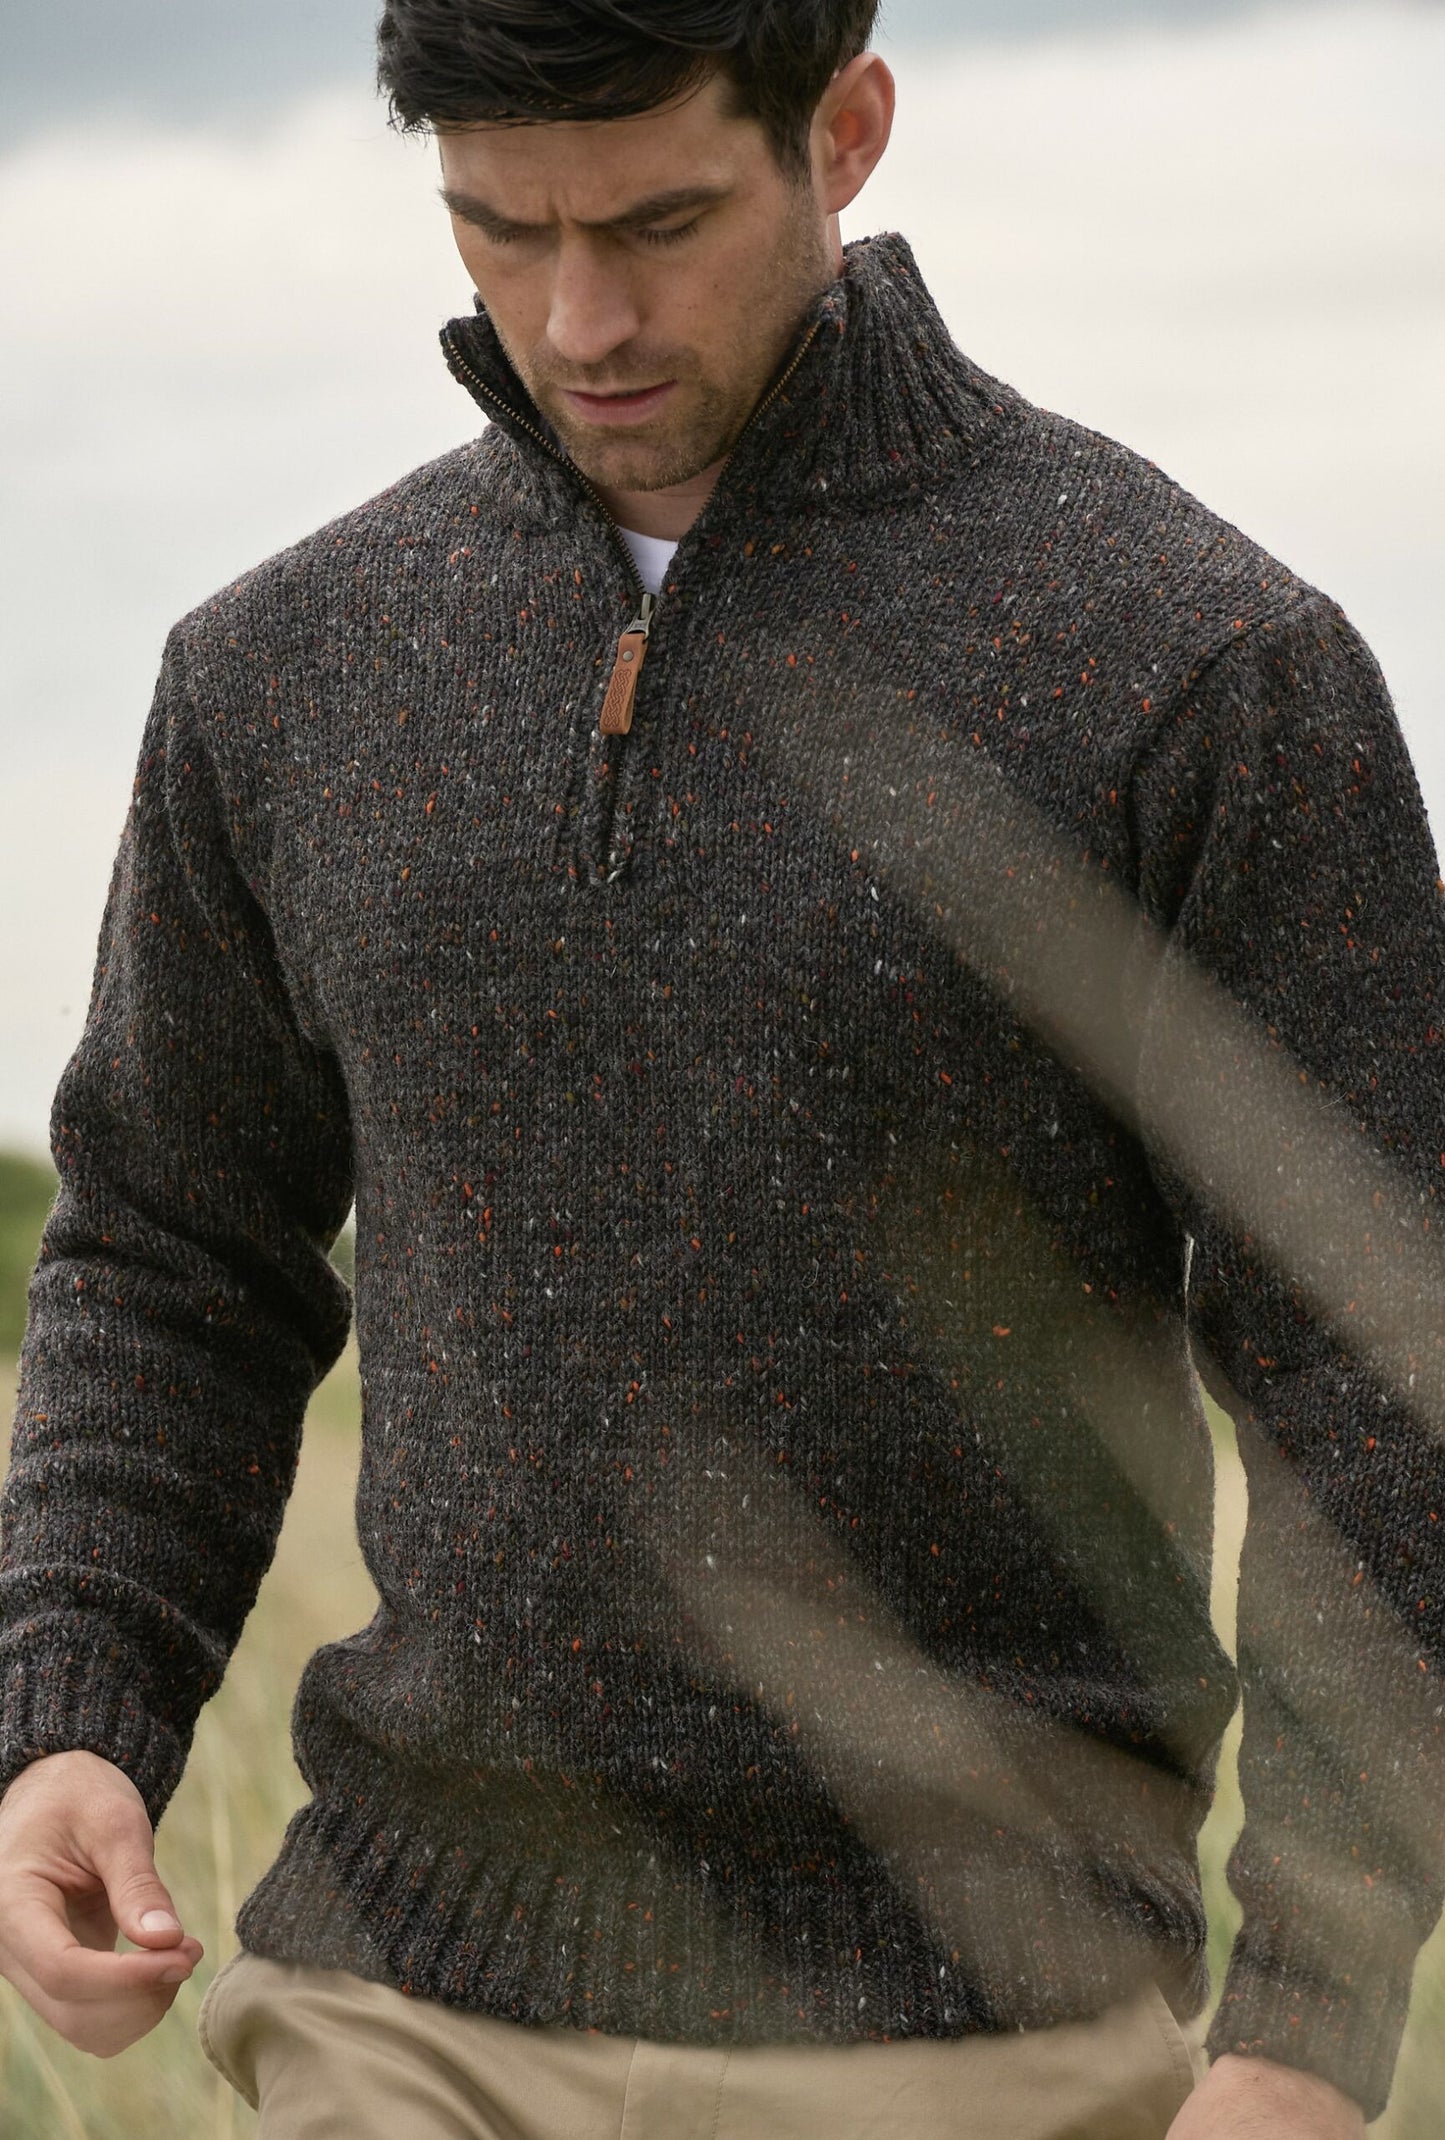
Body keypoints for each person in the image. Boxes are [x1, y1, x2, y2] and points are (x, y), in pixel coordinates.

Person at [0, 3, 1439, 2133]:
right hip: (393, 2011)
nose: (579, 319)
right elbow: (170, 1256)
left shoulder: (1200, 667)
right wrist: (74, 1712)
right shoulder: (277, 674)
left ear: (843, 132)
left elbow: (1373, 1368)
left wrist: (1309, 2023)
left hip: (995, 2046)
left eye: (658, 223)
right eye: (501, 229)